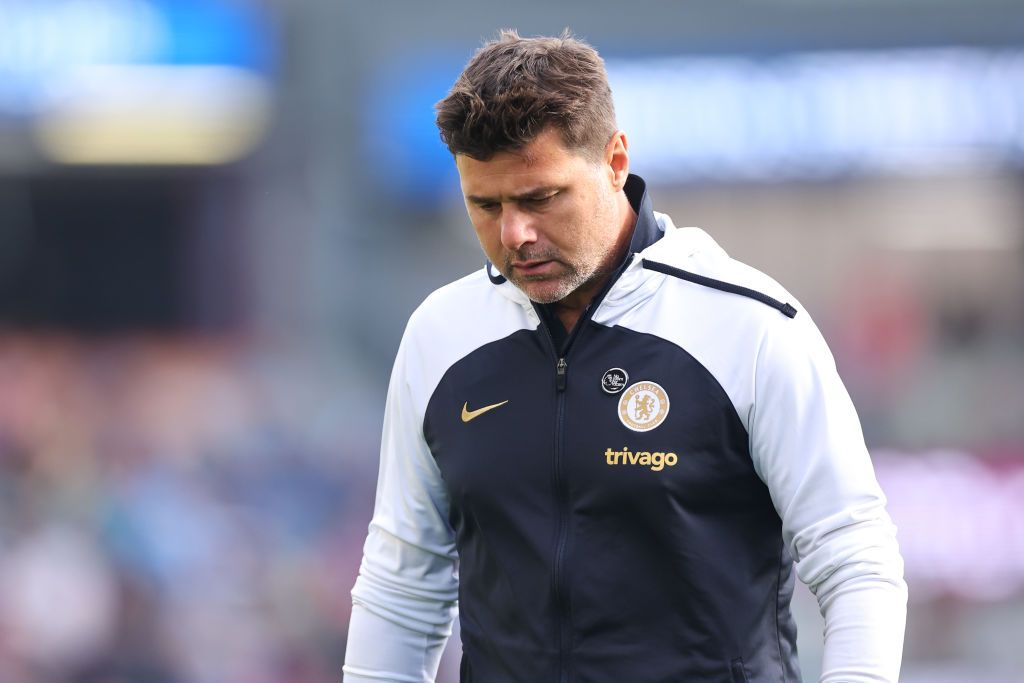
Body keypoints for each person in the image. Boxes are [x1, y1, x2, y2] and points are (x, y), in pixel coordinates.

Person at [343, 29, 907, 683]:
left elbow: (856, 556)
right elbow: (401, 582)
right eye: (485, 204)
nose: (514, 233)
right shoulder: (440, 335)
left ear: (615, 161)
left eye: (539, 198)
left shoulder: (750, 327)